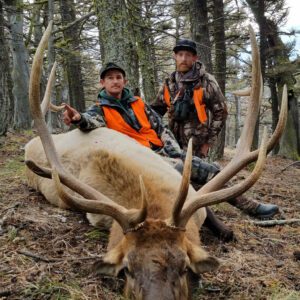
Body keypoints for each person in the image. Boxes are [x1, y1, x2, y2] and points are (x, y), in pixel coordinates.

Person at [150, 39, 279, 219]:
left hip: (196, 144)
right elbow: (155, 111)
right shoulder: (169, 83)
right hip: (173, 145)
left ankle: (250, 207)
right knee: (185, 184)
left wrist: (208, 142)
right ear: (175, 56)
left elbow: (221, 112)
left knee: (209, 178)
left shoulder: (206, 81)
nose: (183, 58)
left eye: (188, 55)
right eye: (180, 54)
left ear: (195, 58)